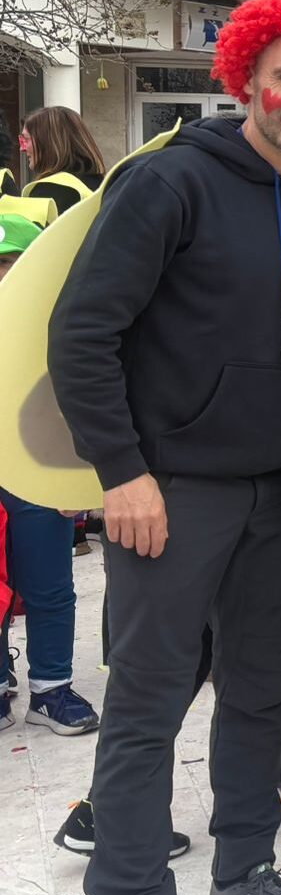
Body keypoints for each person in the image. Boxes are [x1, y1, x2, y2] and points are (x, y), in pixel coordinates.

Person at [48, 0, 281, 895]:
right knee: (145, 708)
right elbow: (82, 334)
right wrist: (122, 472)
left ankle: (244, 871)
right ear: (245, 75)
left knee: (261, 692)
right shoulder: (168, 182)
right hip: (171, 491)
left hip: (277, 494)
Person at [0, 213, 99, 738]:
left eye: (12, 264)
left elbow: (74, 397)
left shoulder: (55, 322)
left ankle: (51, 688)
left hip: (36, 469)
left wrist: (74, 479)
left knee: (51, 585)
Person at [20, 106, 106, 213]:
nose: (22, 148)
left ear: (49, 142)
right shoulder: (104, 185)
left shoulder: (48, 190)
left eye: (26, 139)